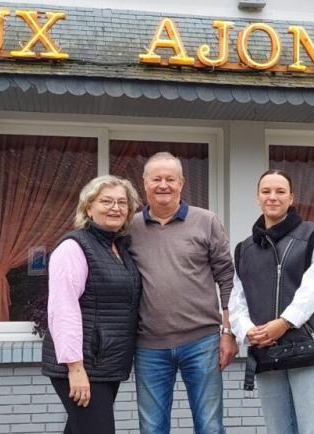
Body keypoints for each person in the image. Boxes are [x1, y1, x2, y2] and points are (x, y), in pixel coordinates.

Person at [128, 152, 237, 434]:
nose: (163, 185)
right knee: (152, 429)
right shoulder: (130, 227)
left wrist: (228, 331)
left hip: (201, 341)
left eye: (170, 179)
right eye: (156, 179)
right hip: (149, 345)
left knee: (210, 427)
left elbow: (226, 276)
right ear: (145, 184)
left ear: (181, 183)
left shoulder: (206, 221)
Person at [229, 169, 314, 434]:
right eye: (266, 191)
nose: (273, 197)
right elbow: (237, 298)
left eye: (280, 191)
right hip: (267, 354)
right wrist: (248, 331)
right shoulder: (244, 249)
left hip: (309, 350)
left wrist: (284, 323)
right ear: (257, 197)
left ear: (291, 198)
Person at [41, 175, 142, 434]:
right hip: (84, 365)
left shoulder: (118, 248)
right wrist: (75, 368)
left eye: (122, 202)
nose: (115, 207)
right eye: (106, 201)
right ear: (88, 207)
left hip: (106, 363)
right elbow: (63, 309)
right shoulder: (74, 247)